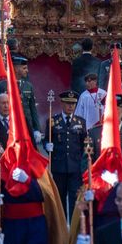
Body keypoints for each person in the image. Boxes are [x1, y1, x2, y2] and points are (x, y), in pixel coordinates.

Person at [47, 90, 87, 220]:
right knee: (60, 197)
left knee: (75, 197)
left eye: (73, 104)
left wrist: (83, 163)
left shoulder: (80, 122)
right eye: (68, 103)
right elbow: (47, 139)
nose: (70, 106)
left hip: (75, 166)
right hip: (59, 166)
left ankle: (75, 224)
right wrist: (48, 146)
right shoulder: (53, 121)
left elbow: (84, 144)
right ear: (62, 104)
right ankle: (63, 225)